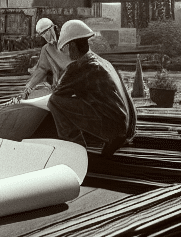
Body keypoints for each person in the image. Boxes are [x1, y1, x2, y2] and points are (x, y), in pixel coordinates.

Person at [48, 19, 136, 156]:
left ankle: (74, 149)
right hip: (127, 127)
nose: (67, 52)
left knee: (54, 102)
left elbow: (57, 95)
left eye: (66, 47)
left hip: (115, 130)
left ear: (73, 46)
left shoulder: (81, 66)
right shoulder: (102, 62)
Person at [19, 19, 71, 99]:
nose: (45, 36)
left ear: (53, 28)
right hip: (58, 89)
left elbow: (74, 66)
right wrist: (29, 86)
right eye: (42, 34)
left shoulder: (68, 43)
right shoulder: (46, 49)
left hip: (72, 86)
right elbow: (42, 69)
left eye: (46, 32)